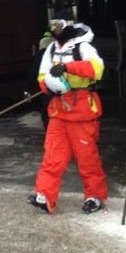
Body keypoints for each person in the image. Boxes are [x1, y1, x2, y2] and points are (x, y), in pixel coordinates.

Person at [27, 13, 107, 214]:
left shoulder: (83, 46)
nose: (55, 29)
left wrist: (68, 68)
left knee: (87, 158)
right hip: (59, 110)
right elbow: (42, 75)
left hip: (82, 111)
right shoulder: (51, 49)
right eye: (52, 24)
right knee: (53, 156)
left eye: (58, 24)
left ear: (68, 25)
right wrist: (49, 87)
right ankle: (45, 195)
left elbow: (97, 69)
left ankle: (95, 196)